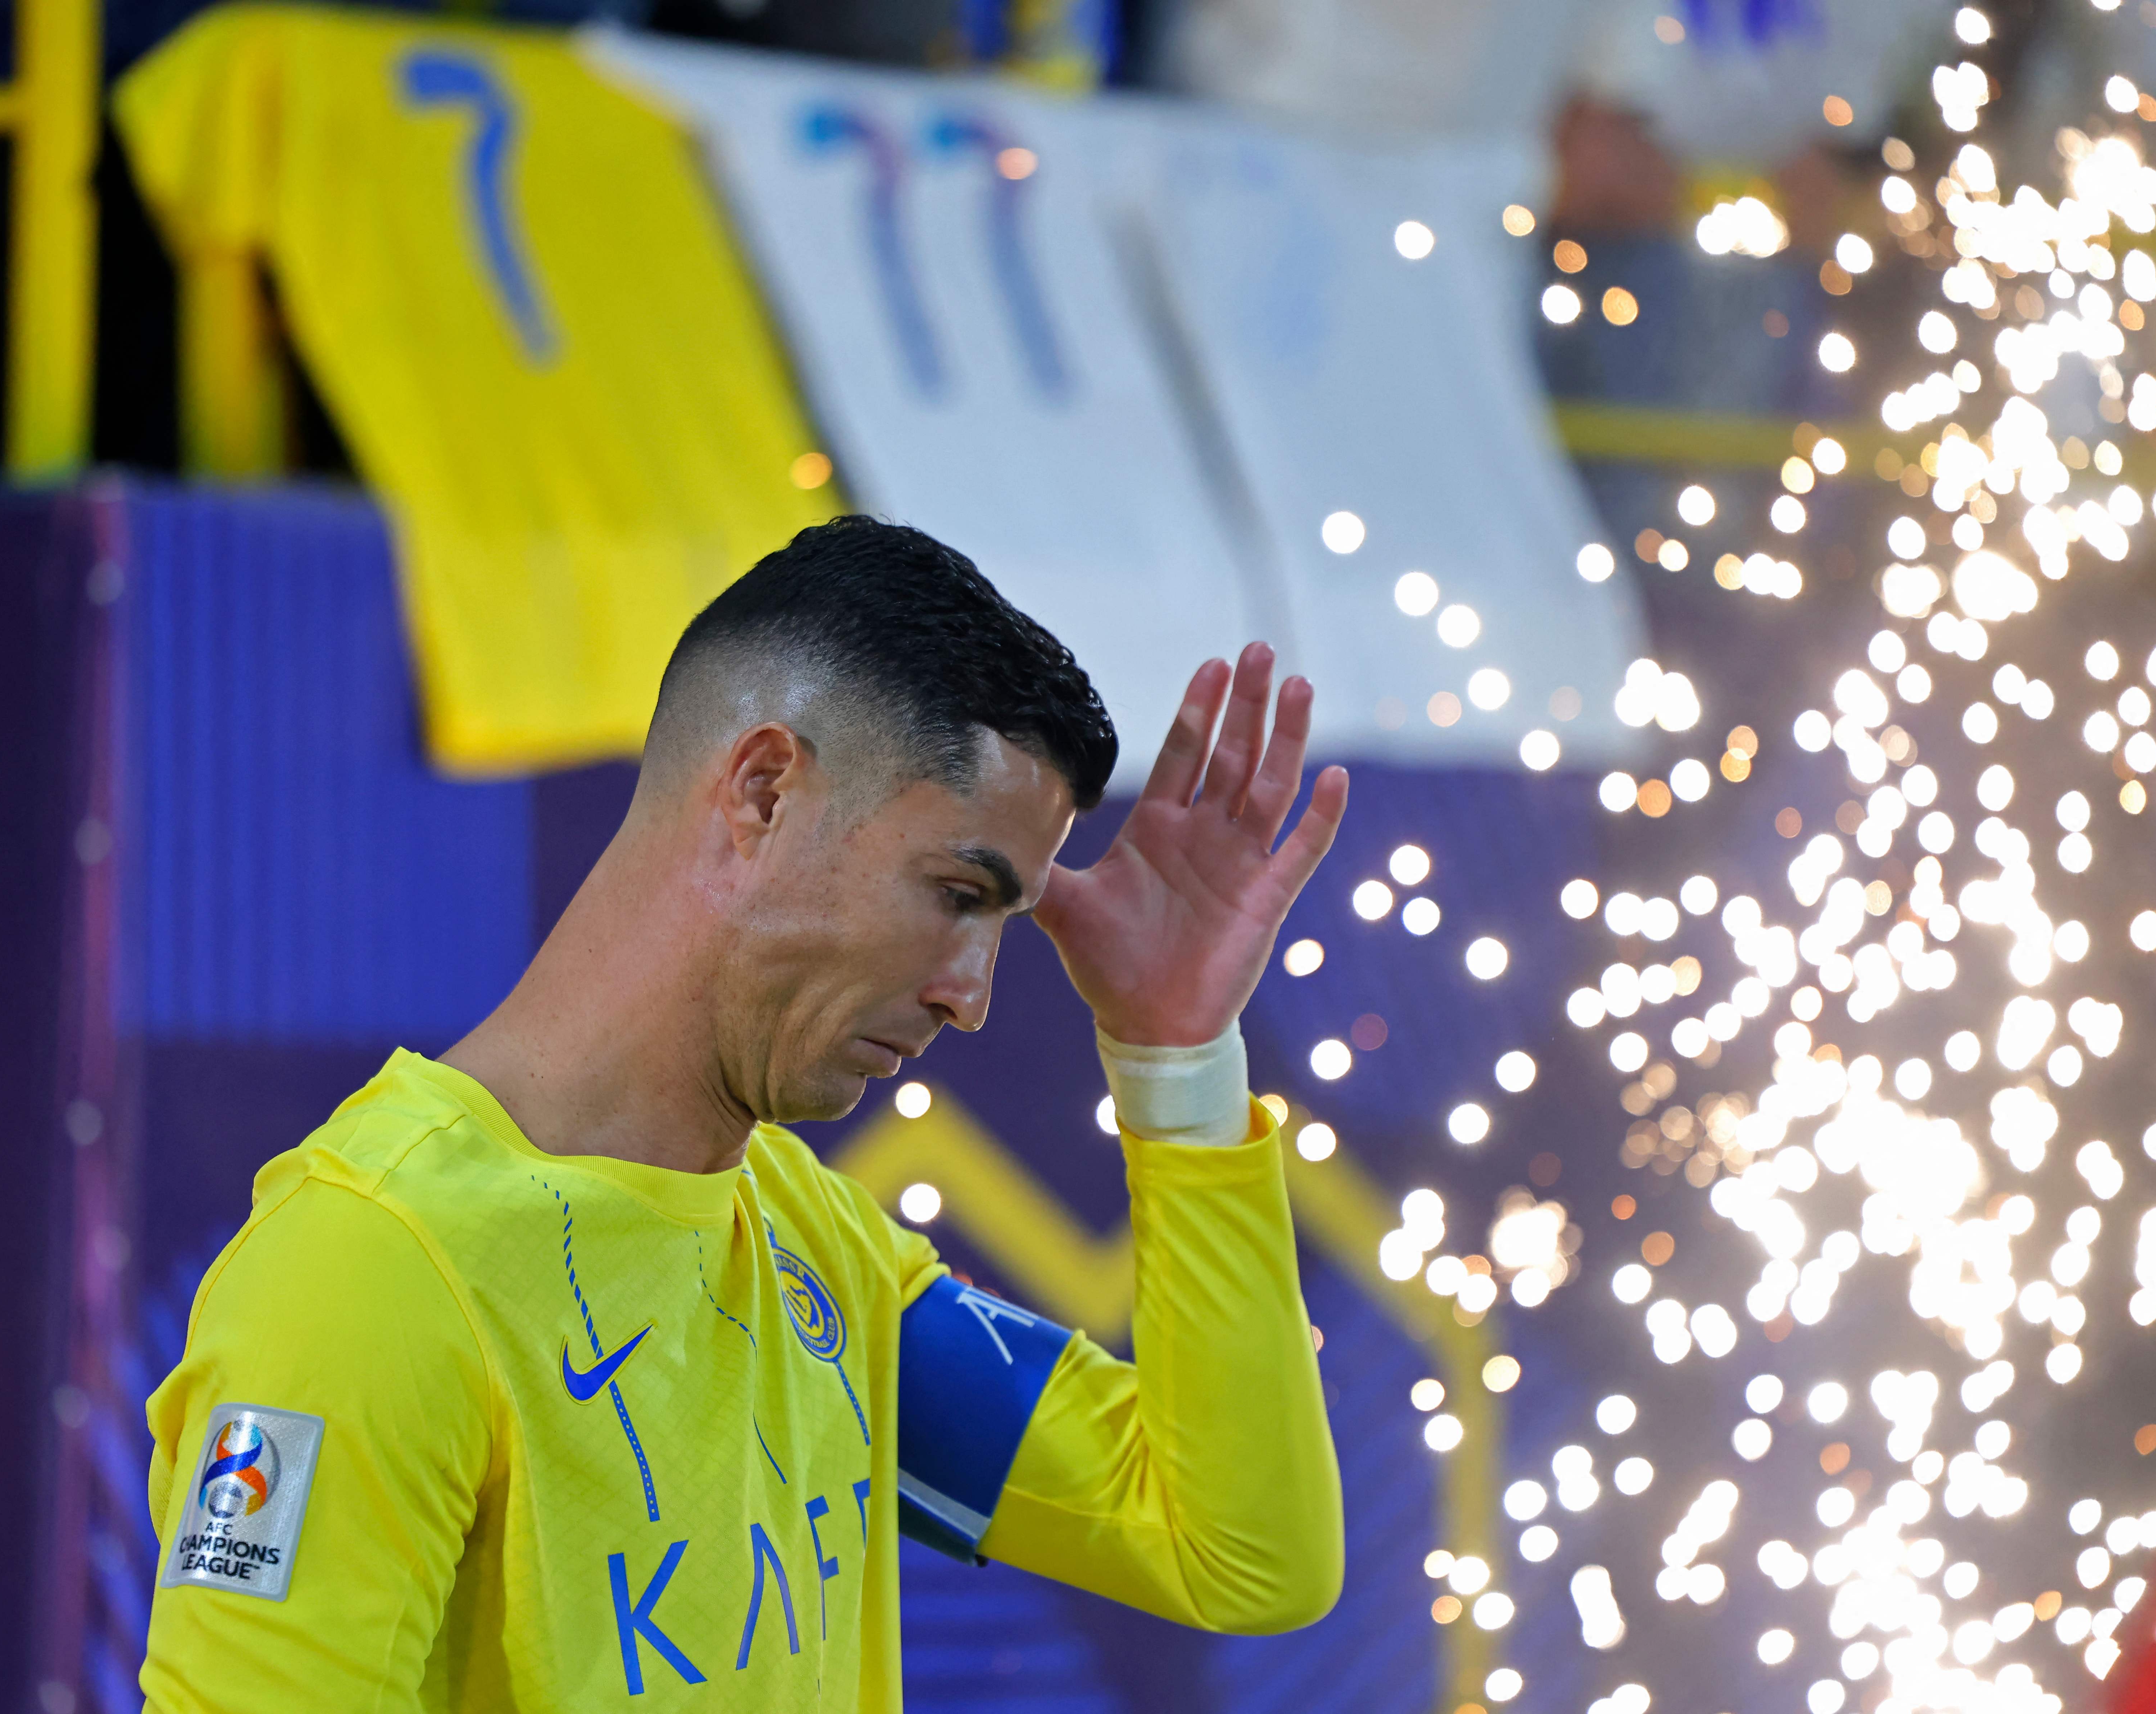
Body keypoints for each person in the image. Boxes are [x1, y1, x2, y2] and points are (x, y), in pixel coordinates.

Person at [139, 516, 1351, 1710]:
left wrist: (1177, 1061)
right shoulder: (366, 1271)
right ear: (764, 791)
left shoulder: (823, 1251)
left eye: (1000, 923)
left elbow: (1233, 1553)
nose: (970, 995)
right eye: (954, 893)